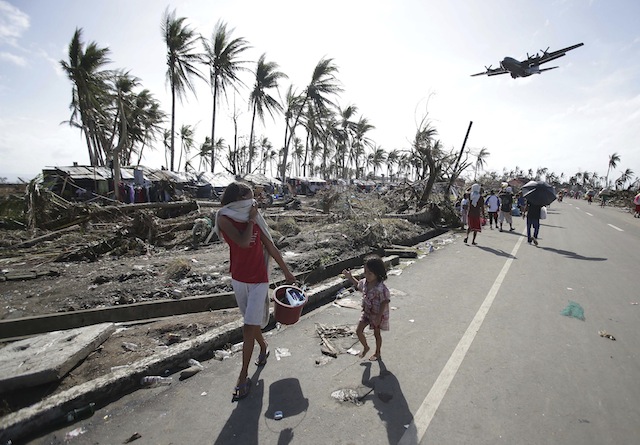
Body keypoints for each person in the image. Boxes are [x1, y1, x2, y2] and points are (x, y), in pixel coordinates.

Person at [214, 182, 296, 401]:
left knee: (248, 328)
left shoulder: (256, 220)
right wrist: (251, 219)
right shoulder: (224, 218)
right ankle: (263, 344)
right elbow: (241, 242)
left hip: (259, 279)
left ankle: (242, 377)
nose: (255, 202)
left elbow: (271, 247)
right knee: (250, 324)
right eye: (251, 197)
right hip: (239, 279)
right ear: (240, 198)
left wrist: (287, 273)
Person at [342, 255, 390, 361]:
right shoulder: (365, 282)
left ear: (377, 274)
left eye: (370, 273)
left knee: (377, 334)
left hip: (377, 314)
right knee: (359, 331)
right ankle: (366, 347)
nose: (366, 275)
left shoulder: (381, 288)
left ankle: (377, 352)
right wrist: (350, 277)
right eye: (365, 271)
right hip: (367, 312)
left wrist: (379, 316)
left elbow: (385, 301)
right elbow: (358, 285)